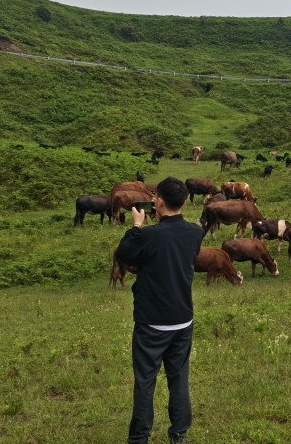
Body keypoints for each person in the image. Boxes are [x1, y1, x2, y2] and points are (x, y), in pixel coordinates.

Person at [116, 176, 203, 444]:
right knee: (179, 379)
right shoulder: (195, 232)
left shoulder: (148, 235)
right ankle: (179, 433)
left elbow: (124, 254)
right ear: (185, 202)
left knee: (145, 380)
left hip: (152, 322)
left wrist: (136, 226)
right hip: (182, 319)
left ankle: (139, 437)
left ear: (159, 202)